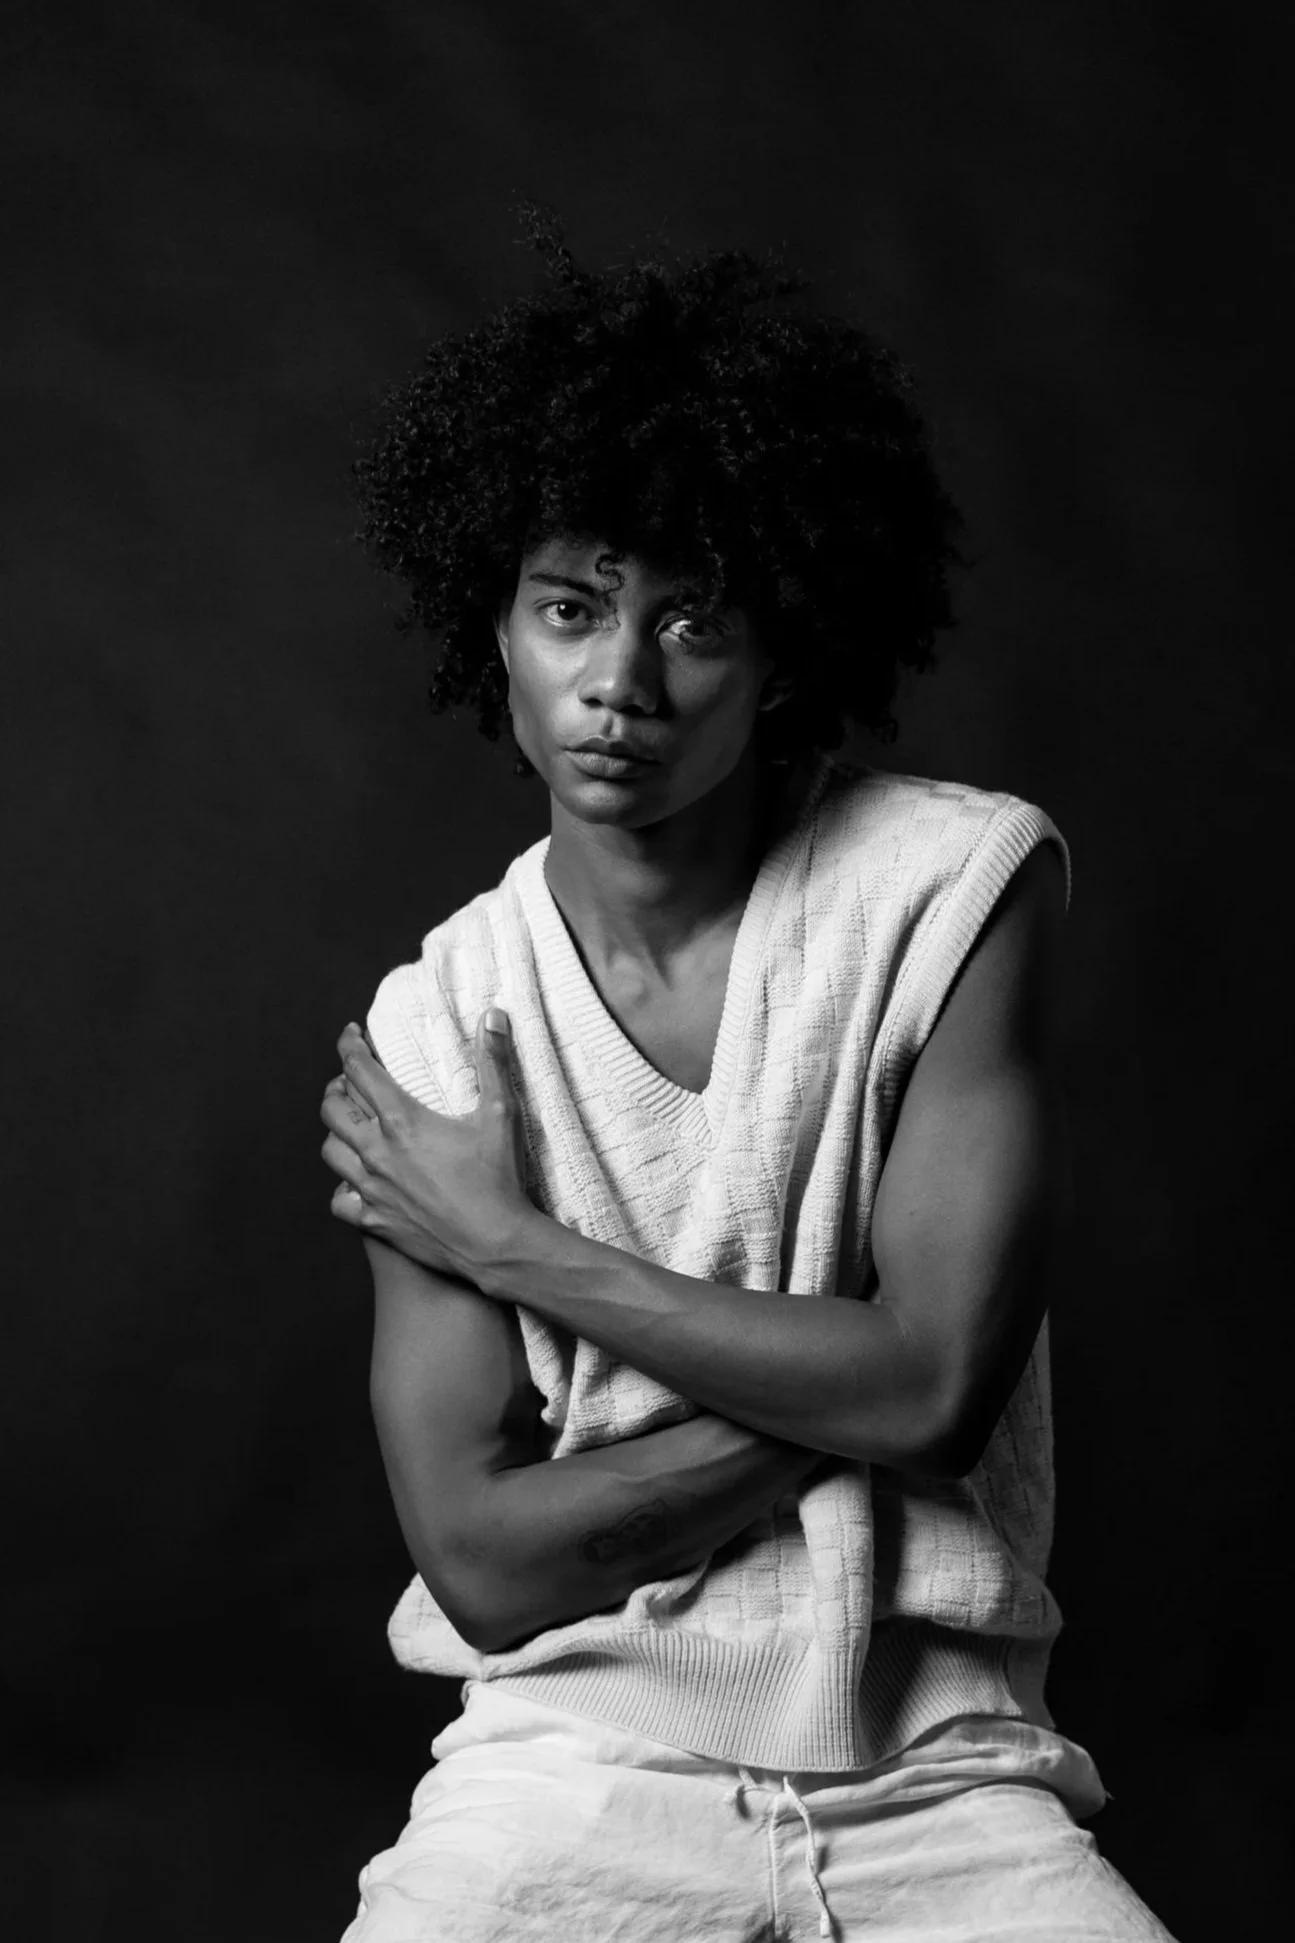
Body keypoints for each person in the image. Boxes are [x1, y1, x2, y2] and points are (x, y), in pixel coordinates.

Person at [320, 209, 1174, 1942]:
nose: (619, 683)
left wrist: (511, 1248)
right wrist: (846, 1370)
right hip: (571, 1759)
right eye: (571, 609)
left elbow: (930, 1393)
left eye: (693, 622)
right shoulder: (442, 1025)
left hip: (946, 1772)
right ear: (495, 622)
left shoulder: (948, 886)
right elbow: (481, 1566)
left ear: (784, 649)